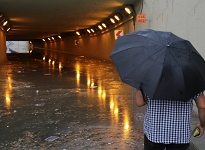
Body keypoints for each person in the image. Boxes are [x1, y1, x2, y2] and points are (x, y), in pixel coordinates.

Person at [136, 90, 205, 150]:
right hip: (180, 134)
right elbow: (202, 106)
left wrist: (141, 85)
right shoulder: (190, 79)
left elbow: (140, 102)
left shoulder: (151, 78)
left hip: (154, 131)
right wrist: (202, 125)